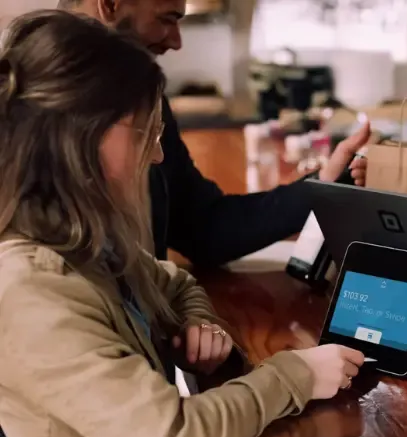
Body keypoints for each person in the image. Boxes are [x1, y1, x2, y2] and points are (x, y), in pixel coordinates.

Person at [0, 10, 364, 437]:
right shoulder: (30, 288)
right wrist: (296, 375)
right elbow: (173, 436)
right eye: (143, 133)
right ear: (81, 135)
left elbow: (173, 280)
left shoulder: (84, 246)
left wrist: (198, 324)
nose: (156, 157)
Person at [57, 0, 370, 266]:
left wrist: (324, 185)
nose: (177, 42)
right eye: (167, 19)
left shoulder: (145, 99)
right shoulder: (19, 117)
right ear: (110, 3)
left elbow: (204, 228)